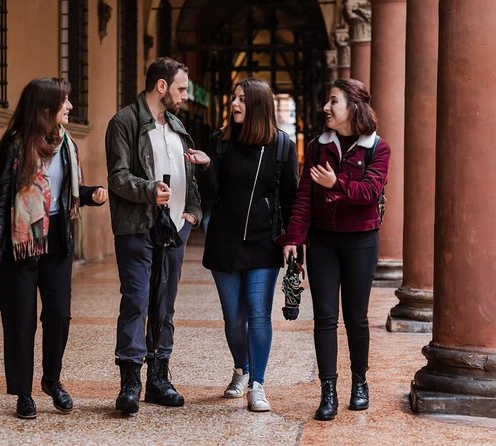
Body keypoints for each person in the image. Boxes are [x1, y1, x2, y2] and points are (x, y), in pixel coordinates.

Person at [0, 77, 108, 419]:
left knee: (58, 316)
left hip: (56, 243)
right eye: (64, 102)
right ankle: (23, 393)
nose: (70, 107)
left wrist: (92, 194)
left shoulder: (67, 144)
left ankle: (52, 380)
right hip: (19, 246)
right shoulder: (14, 147)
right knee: (21, 322)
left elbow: (70, 191)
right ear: (46, 109)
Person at [276, 78, 390, 421]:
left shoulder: (377, 148)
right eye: (327, 101)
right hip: (323, 241)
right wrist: (294, 238)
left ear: (352, 108)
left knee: (356, 318)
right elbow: (304, 198)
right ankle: (328, 391)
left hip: (361, 241)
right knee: (325, 317)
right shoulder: (317, 147)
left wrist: (336, 184)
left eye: (333, 101)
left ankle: (359, 382)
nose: (326, 108)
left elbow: (370, 192)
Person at [185, 77, 299, 412]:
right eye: (233, 98)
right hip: (224, 240)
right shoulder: (221, 142)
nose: (234, 104)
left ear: (258, 106)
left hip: (264, 243)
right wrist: (206, 167)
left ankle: (257, 384)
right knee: (234, 319)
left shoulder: (282, 146)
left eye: (241, 100)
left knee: (259, 315)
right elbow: (211, 192)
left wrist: (293, 241)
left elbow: (291, 199)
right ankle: (241, 368)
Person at [105, 57, 202, 414]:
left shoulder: (176, 125)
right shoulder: (124, 122)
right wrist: (148, 190)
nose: (184, 97)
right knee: (136, 301)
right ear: (161, 86)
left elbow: (188, 174)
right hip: (136, 227)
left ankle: (158, 379)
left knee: (165, 304)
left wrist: (192, 214)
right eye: (180, 89)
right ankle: (130, 383)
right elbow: (117, 177)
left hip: (175, 227)